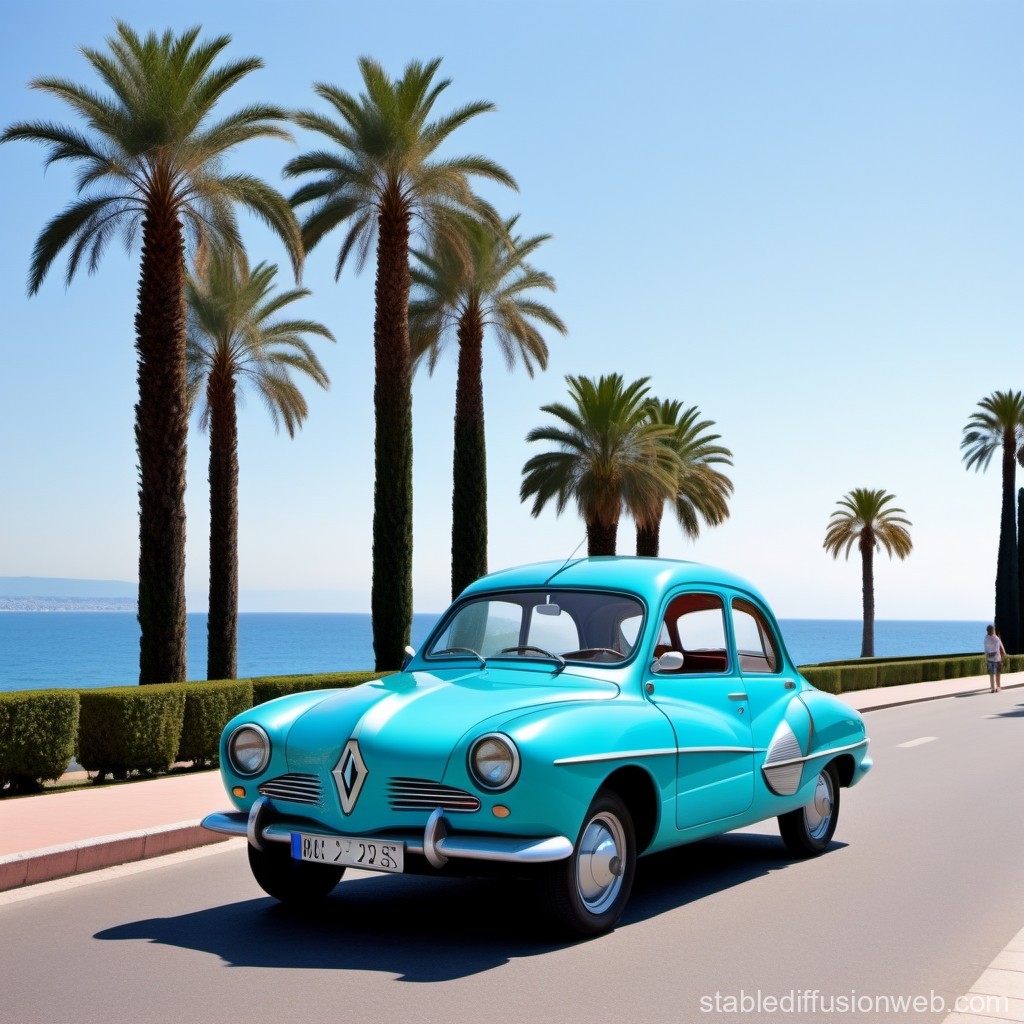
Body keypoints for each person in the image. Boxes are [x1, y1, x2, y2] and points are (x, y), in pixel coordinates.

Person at [984, 624, 1006, 692]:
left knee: (992, 674)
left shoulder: (986, 638)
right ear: (992, 630)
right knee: (997, 673)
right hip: (997, 658)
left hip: (990, 659)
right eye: (993, 630)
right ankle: (998, 687)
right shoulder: (996, 638)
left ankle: (993, 688)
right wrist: (1003, 655)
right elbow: (1000, 647)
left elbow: (986, 649)